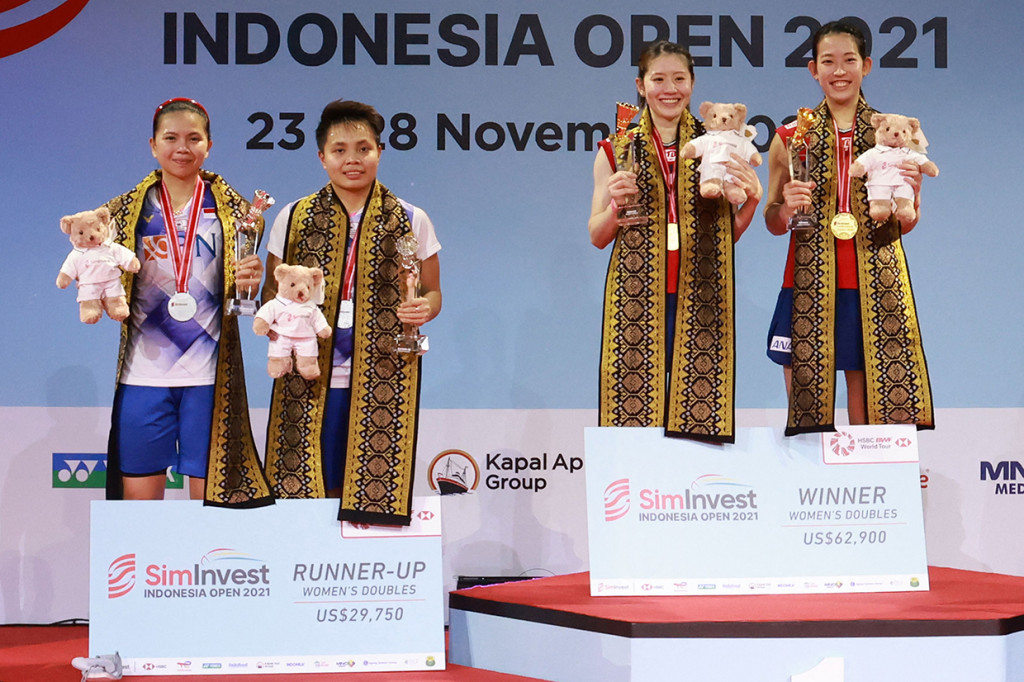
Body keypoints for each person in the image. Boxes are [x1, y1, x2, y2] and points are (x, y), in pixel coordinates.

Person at [261, 99, 441, 525]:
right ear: (322, 157)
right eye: (339, 150)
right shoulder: (294, 216)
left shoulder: (412, 219)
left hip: (383, 369)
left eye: (364, 148)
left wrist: (422, 309)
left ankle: (363, 577)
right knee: (308, 486)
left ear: (380, 152)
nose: (352, 160)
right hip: (306, 370)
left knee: (366, 487)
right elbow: (272, 289)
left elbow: (433, 293)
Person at [763, 21, 934, 435]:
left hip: (872, 283)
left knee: (869, 421)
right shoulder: (789, 137)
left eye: (849, 61)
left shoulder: (895, 135)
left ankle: (871, 487)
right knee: (807, 415)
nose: (839, 71)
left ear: (867, 66)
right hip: (804, 282)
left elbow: (907, 223)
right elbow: (772, 221)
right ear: (813, 69)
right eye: (828, 62)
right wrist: (785, 207)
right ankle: (810, 489)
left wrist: (910, 206)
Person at [588, 40, 762, 443]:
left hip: (701, 294)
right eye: (658, 79)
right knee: (632, 427)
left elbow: (728, 234)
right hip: (636, 297)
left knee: (698, 425)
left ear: (693, 84)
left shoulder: (716, 144)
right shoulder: (616, 149)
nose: (670, 89)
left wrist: (752, 200)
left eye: (679, 79)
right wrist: (616, 205)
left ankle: (687, 499)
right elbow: (597, 236)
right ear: (640, 84)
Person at [103, 98, 272, 504]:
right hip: (142, 377)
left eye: (194, 138)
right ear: (152, 145)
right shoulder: (122, 211)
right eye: (171, 137)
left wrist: (249, 281)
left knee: (211, 509)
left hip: (209, 379)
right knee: (139, 512)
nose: (182, 147)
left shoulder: (238, 212)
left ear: (208, 146)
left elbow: (241, 291)